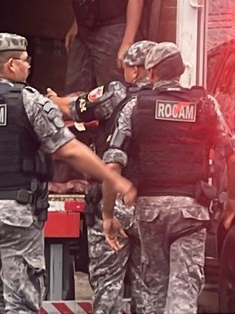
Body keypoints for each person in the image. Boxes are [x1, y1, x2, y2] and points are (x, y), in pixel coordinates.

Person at [0, 33, 138, 314]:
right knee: (22, 302)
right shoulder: (29, 101)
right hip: (16, 212)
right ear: (12, 65)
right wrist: (113, 178)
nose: (29, 67)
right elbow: (69, 150)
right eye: (27, 62)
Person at [102, 42, 235, 314]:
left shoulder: (135, 107)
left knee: (154, 291)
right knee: (183, 293)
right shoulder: (205, 104)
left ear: (152, 73)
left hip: (149, 213)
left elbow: (111, 167)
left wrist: (108, 214)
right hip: (190, 212)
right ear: (181, 71)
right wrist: (232, 201)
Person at [49, 40, 158, 314]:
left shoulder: (116, 93)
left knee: (108, 284)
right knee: (149, 286)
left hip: (117, 200)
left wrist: (54, 101)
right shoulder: (173, 100)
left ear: (134, 70)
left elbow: (73, 109)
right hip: (156, 206)